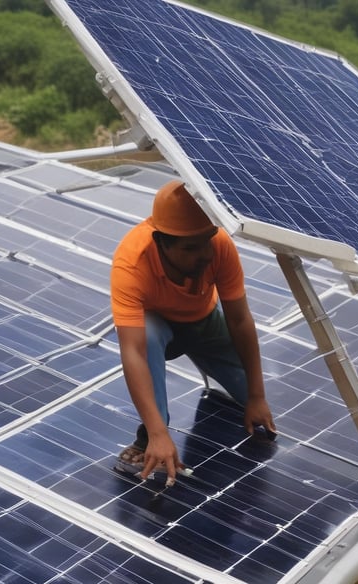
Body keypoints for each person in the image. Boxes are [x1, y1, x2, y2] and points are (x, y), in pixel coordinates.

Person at [110, 179, 276, 484]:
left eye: (207, 241)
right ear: (161, 242)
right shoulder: (132, 264)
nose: (205, 254)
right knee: (146, 336)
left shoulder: (219, 246)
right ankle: (150, 437)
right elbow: (133, 351)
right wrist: (157, 432)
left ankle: (231, 382)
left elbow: (240, 320)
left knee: (251, 404)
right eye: (190, 248)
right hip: (158, 328)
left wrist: (256, 395)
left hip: (204, 322)